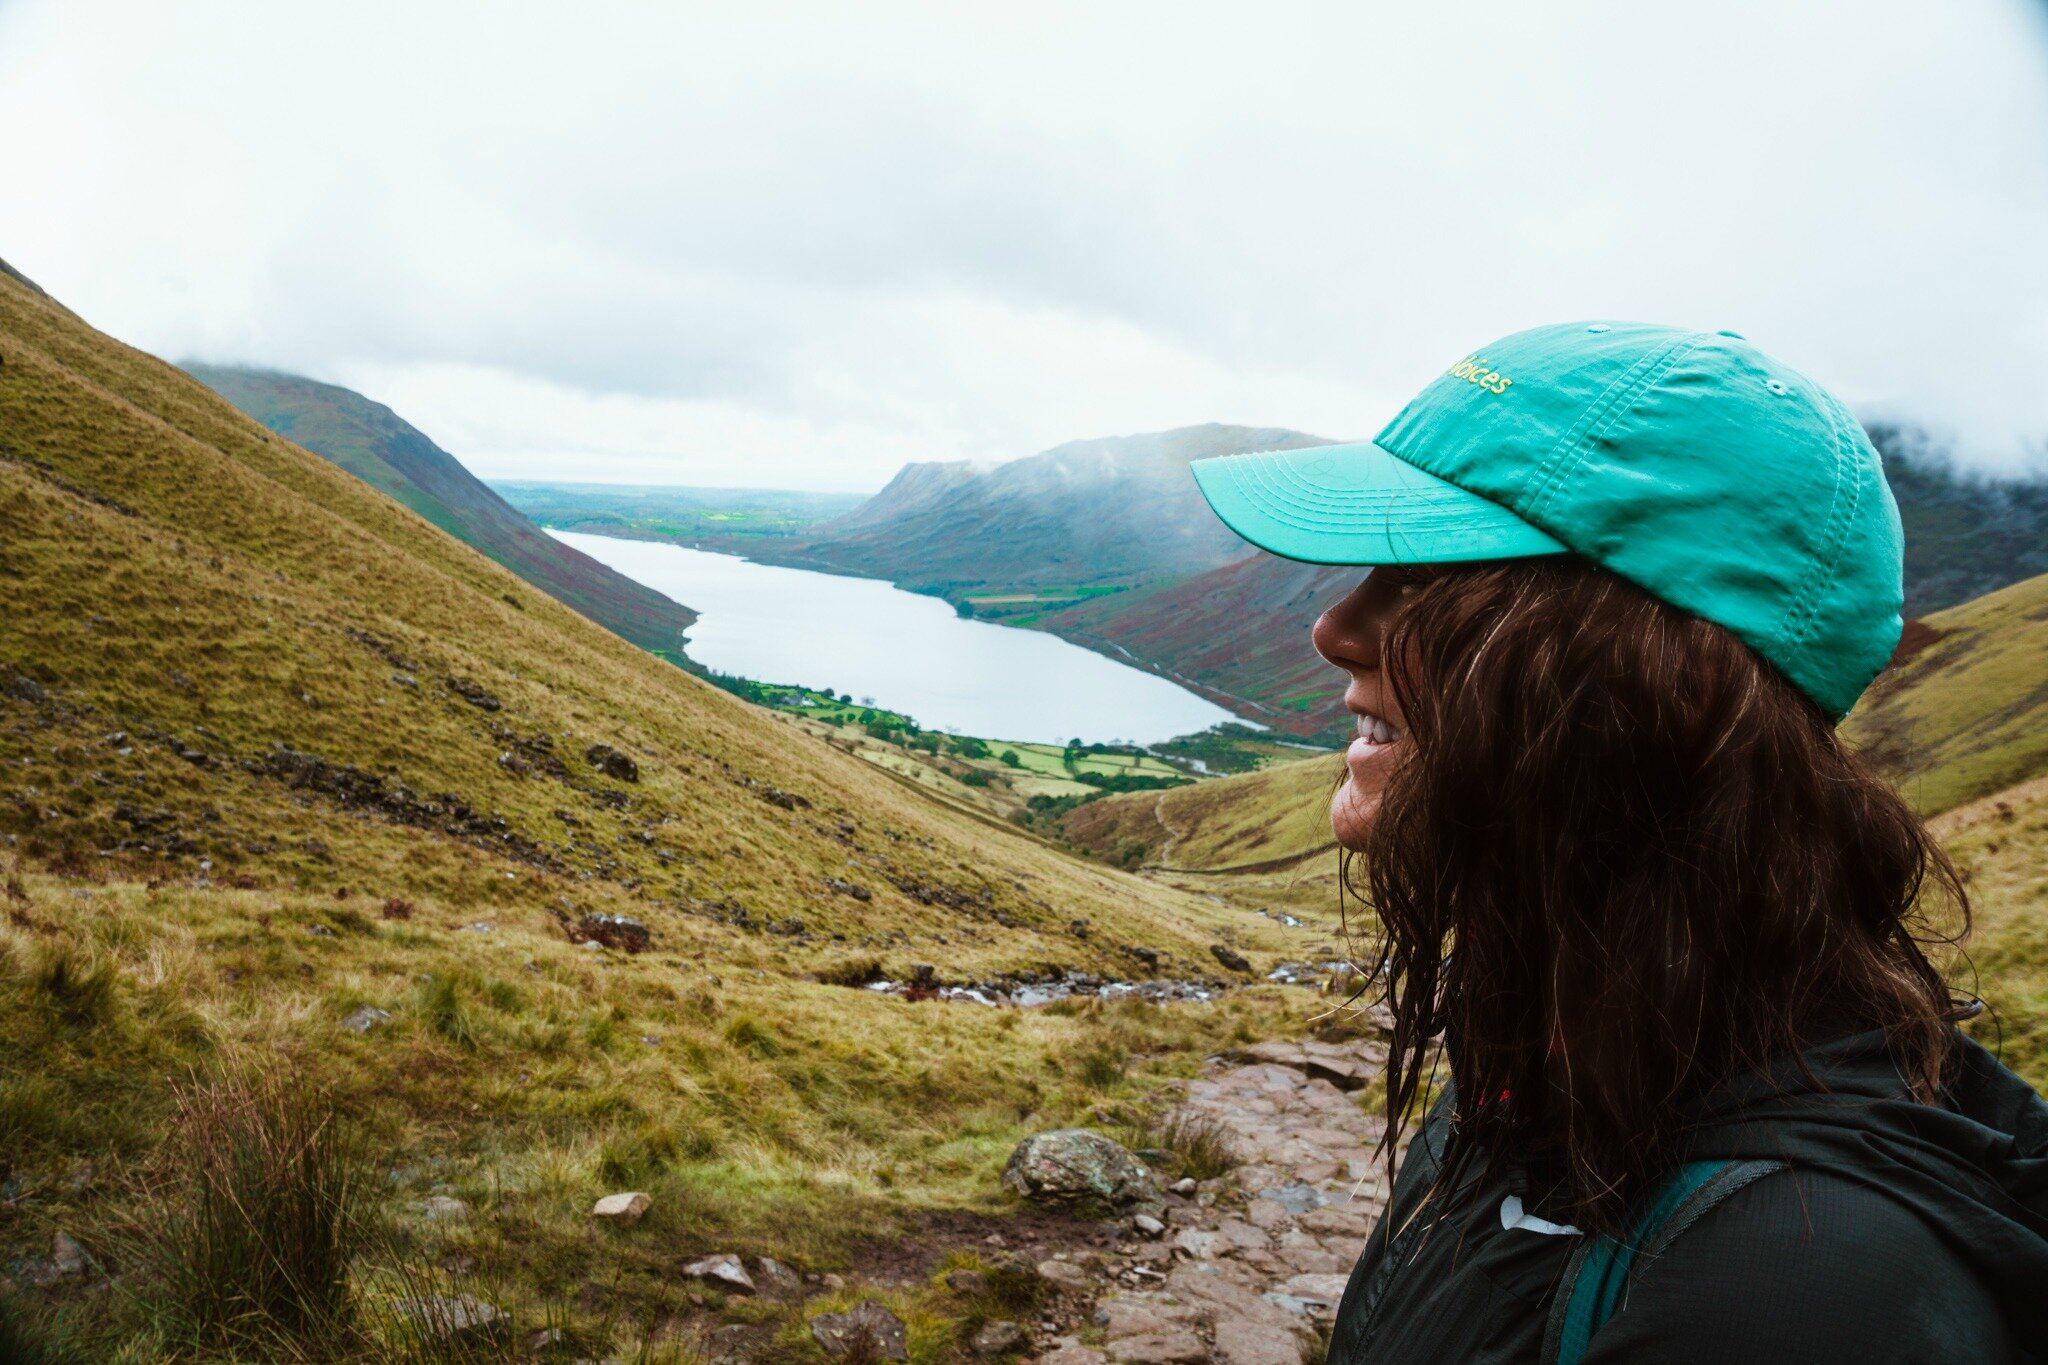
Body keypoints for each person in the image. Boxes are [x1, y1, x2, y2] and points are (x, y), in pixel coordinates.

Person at [1189, 322, 2048, 1364]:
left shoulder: (1797, 1292)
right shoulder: (1551, 1045)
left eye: (1428, 582)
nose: (1334, 626)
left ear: (1645, 685)